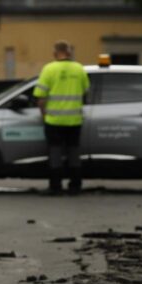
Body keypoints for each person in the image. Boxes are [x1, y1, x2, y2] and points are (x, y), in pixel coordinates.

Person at [33, 41, 90, 194]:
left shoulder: (49, 69)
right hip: (74, 120)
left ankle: (55, 187)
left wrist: (44, 115)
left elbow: (40, 97)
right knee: (74, 153)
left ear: (55, 52)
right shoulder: (79, 69)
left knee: (55, 153)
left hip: (54, 120)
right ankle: (75, 186)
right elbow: (85, 90)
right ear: (69, 52)